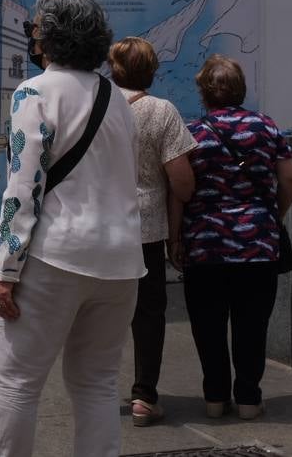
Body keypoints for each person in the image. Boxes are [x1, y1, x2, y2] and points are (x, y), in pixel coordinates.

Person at [0, 0, 142, 457]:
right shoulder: (115, 98)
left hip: (56, 255)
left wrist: (5, 271)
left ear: (48, 38)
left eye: (36, 28)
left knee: (13, 384)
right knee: (96, 383)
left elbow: (22, 186)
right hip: (120, 260)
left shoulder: (34, 92)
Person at [176, 55, 292, 421]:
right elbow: (290, 178)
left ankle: (214, 398)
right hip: (258, 243)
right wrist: (273, 215)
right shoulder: (267, 127)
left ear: (204, 93)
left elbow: (181, 186)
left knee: (207, 325)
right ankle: (248, 398)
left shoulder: (193, 133)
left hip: (205, 244)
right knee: (252, 325)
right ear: (240, 89)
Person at [107, 36, 197, 427]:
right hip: (145, 230)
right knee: (147, 315)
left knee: (96, 311)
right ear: (152, 71)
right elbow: (182, 183)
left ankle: (93, 392)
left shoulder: (97, 108)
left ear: (113, 69)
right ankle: (144, 395)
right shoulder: (162, 112)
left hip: (96, 229)